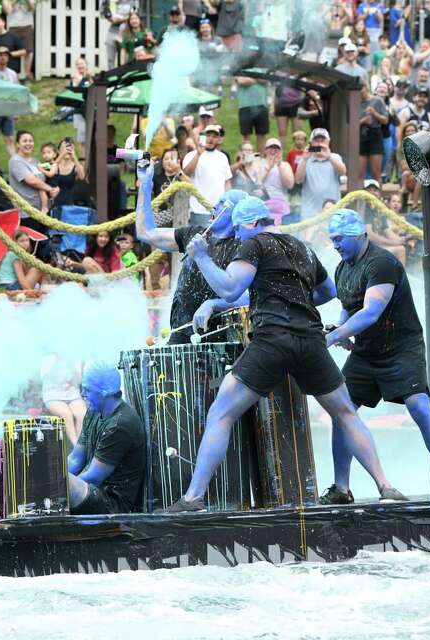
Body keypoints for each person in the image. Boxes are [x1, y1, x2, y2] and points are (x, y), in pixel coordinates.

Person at [160, 197, 404, 512]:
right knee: (346, 413)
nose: (235, 237)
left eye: (237, 229)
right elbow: (328, 291)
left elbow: (230, 288)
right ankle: (386, 486)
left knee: (220, 413)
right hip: (311, 342)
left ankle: (193, 498)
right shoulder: (300, 246)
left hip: (272, 342)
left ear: (249, 224)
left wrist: (202, 257)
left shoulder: (253, 244)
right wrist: (295, 302)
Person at [325, 209, 430, 498]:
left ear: (359, 236)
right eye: (332, 239)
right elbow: (348, 306)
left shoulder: (382, 264)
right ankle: (342, 487)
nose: (335, 245)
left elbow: (371, 312)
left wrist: (335, 335)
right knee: (341, 410)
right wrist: (340, 328)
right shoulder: (342, 267)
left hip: (402, 348)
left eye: (340, 239)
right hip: (366, 353)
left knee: (419, 408)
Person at [137, 163, 247, 344]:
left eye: (222, 205)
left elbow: (251, 295)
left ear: (236, 213)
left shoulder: (243, 247)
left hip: (219, 340)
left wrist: (214, 304)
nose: (214, 208)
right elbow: (145, 232)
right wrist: (145, 183)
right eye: (216, 202)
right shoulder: (194, 234)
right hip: (180, 333)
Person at [67, 364, 146, 515]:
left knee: (58, 484)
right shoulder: (93, 411)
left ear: (104, 392)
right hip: (92, 489)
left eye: (88, 390)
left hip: (112, 503)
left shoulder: (120, 425)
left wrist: (57, 489)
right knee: (52, 478)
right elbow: (75, 459)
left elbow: (94, 477)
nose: (82, 394)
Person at [181, 125, 232, 226]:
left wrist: (227, 201)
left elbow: (227, 182)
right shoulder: (191, 155)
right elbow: (185, 174)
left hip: (219, 210)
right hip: (199, 209)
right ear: (202, 137)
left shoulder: (223, 157)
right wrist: (198, 154)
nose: (211, 139)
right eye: (208, 135)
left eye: (214, 136)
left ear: (218, 139)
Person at [295, 128, 345, 221]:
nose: (319, 144)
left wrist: (328, 156)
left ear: (328, 142)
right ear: (311, 143)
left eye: (322, 140)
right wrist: (305, 159)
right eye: (316, 141)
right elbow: (298, 180)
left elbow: (342, 171)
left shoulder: (335, 157)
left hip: (331, 210)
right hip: (310, 212)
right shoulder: (305, 159)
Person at [9, 130, 61, 214]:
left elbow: (48, 177)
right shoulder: (16, 161)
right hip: (27, 212)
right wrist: (50, 189)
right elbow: (32, 181)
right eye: (25, 141)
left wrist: (56, 188)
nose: (28, 143)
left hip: (42, 211)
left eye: (30, 141)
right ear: (18, 144)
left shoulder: (36, 161)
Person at [41, 354, 87, 445]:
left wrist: (81, 366)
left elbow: (80, 380)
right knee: (66, 414)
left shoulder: (77, 356)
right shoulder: (49, 357)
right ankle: (76, 447)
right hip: (53, 395)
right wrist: (57, 360)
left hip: (73, 395)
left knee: (82, 414)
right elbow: (43, 376)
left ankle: (82, 446)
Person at [41, 138, 85, 218]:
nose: (68, 150)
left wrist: (74, 157)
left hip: (69, 206)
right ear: (58, 151)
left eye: (70, 147)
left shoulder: (75, 167)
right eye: (65, 147)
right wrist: (62, 155)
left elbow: (82, 176)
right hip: (52, 206)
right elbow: (51, 167)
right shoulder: (52, 165)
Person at [103, 0, 138, 70]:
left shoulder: (135, 2)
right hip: (113, 32)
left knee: (126, 60)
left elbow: (133, 18)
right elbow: (108, 15)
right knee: (110, 60)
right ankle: (111, 80)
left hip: (127, 33)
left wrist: (121, 20)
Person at [4, 0, 36, 80]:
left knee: (28, 50)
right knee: (12, 51)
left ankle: (27, 74)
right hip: (13, 25)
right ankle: (14, 75)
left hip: (27, 24)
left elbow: (32, 9)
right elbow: (8, 11)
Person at [234, 75, 270, 152]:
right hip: (245, 105)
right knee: (246, 135)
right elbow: (241, 81)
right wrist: (257, 79)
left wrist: (250, 79)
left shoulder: (263, 66)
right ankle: (248, 159)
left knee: (262, 134)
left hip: (261, 105)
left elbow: (266, 80)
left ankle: (261, 159)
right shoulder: (241, 68)